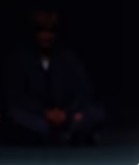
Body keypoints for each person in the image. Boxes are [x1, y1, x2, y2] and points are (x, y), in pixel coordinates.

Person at [6, 9, 105, 145]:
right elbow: (18, 96)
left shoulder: (68, 58)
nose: (46, 36)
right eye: (41, 31)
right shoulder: (21, 59)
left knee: (94, 113)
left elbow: (83, 91)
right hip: (38, 117)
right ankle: (52, 136)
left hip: (67, 116)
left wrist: (67, 113)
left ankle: (69, 134)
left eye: (50, 31)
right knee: (16, 115)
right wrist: (45, 113)